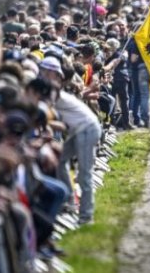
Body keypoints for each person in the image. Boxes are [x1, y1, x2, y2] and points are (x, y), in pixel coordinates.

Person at [41, 56, 102, 225]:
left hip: (86, 130)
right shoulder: (51, 88)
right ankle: (69, 201)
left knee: (84, 174)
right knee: (60, 161)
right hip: (80, 130)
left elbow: (46, 115)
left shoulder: (52, 90)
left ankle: (86, 216)